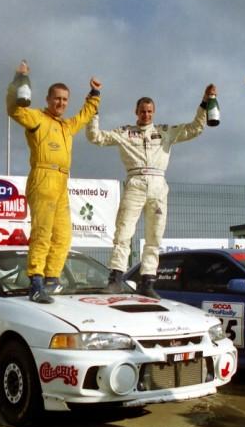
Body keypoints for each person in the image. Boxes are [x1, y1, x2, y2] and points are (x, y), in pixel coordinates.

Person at [86, 85, 216, 298]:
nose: (145, 115)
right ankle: (115, 279)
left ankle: (147, 282)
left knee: (154, 237)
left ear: (153, 112)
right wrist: (94, 110)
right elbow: (95, 137)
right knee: (123, 232)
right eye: (142, 111)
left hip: (158, 184)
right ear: (135, 112)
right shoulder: (125, 132)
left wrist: (205, 102)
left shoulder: (165, 132)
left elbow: (195, 129)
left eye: (149, 111)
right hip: (135, 182)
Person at [7, 60, 102, 303]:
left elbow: (84, 115)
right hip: (43, 176)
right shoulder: (37, 117)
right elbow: (14, 110)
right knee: (42, 232)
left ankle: (52, 279)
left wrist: (94, 94)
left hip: (61, 181)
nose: (60, 103)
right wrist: (19, 81)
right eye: (57, 98)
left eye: (64, 100)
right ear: (48, 99)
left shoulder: (66, 125)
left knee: (63, 236)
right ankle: (36, 281)